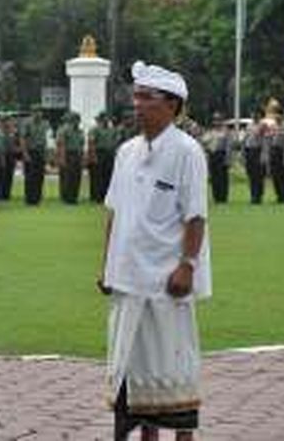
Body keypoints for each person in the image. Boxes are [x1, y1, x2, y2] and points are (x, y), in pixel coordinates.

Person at [98, 61, 211, 441]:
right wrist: (106, 264)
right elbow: (113, 211)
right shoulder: (127, 151)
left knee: (173, 371)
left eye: (146, 98)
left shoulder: (187, 151)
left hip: (167, 281)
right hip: (128, 279)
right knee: (130, 372)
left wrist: (188, 266)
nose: (137, 105)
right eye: (136, 97)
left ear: (172, 105)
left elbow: (195, 216)